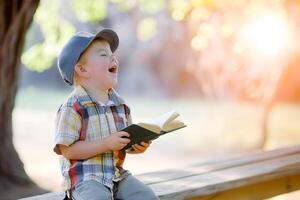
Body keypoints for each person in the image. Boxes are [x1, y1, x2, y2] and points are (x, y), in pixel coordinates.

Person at [53, 28, 159, 200]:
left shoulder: (120, 104)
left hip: (117, 177)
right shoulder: (73, 106)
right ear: (82, 70)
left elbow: (122, 143)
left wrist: (136, 146)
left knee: (147, 197)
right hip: (86, 179)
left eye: (112, 54)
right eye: (103, 55)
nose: (113, 58)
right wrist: (106, 143)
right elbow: (67, 150)